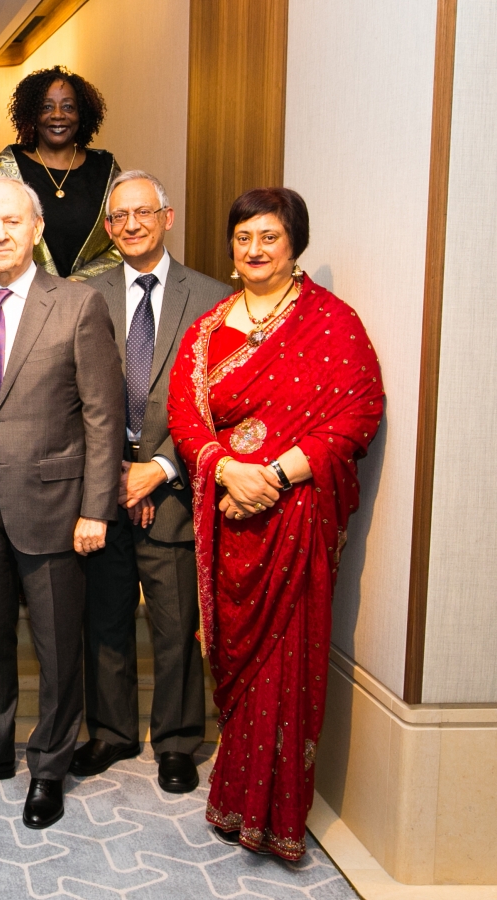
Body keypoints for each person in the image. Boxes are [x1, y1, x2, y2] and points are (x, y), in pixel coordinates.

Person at [167, 188, 383, 859]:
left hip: (295, 522)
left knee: (283, 666)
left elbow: (359, 412)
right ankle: (235, 800)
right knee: (237, 661)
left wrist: (278, 476)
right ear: (230, 249)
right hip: (231, 520)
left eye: (270, 237)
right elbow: (183, 415)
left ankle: (275, 816)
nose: (256, 250)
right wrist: (229, 471)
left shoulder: (331, 322)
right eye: (244, 238)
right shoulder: (209, 328)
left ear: (295, 245)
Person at [0, 177, 123, 831]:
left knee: (59, 644)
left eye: (12, 221)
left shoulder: (80, 304)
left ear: (35, 230)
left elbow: (102, 415)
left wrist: (96, 508)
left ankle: (49, 766)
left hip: (55, 506)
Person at [75, 171, 227, 793]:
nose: (131, 225)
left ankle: (176, 741)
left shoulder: (215, 298)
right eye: (119, 218)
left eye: (143, 213)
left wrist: (158, 468)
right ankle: (110, 732)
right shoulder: (84, 296)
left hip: (176, 484)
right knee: (104, 618)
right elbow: (72, 393)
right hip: (101, 485)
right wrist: (111, 471)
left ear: (168, 216)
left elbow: (222, 402)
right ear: (108, 229)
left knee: (174, 624)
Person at [0, 66, 120, 280]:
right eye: (46, 107)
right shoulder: (8, 168)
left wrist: (77, 284)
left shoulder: (105, 168)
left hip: (95, 295)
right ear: (32, 114)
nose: (58, 115)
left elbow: (123, 237)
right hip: (26, 296)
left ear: (82, 113)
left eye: (68, 107)